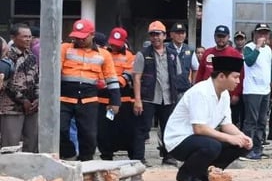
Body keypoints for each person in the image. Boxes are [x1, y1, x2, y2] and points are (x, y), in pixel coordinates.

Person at [163, 54, 252, 181]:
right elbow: (199, 128)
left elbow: (226, 123)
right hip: (179, 140)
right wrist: (229, 138)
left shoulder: (225, 94)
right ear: (221, 76)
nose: (238, 81)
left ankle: (207, 172)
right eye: (235, 77)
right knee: (213, 146)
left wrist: (242, 137)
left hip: (200, 138)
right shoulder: (200, 92)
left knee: (241, 144)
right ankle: (186, 174)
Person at [59, 19, 120, 161]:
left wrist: (115, 101)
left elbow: (111, 78)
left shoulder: (104, 54)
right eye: (77, 37)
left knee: (89, 135)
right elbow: (56, 71)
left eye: (83, 37)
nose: (79, 40)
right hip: (65, 98)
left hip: (89, 99)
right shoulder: (65, 48)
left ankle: (86, 162)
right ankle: (69, 154)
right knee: (60, 130)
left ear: (92, 35)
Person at [133, 21, 182, 165]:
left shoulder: (172, 54)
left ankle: (168, 156)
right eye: (152, 35)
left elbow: (178, 74)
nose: (155, 38)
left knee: (168, 128)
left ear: (164, 36)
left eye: (158, 34)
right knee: (143, 128)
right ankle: (139, 158)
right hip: (149, 97)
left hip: (168, 98)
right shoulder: (143, 54)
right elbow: (136, 77)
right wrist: (137, 99)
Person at [98, 28, 137, 160]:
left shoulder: (130, 56)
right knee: (104, 131)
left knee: (127, 130)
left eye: (117, 43)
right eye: (112, 43)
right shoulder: (102, 54)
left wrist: (114, 82)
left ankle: (133, 156)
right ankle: (106, 156)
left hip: (124, 100)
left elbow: (128, 74)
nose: (114, 46)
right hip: (103, 99)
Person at [0, 23, 39, 152]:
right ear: (13, 38)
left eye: (30, 37)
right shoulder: (7, 57)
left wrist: (38, 99)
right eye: (24, 37)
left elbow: (36, 79)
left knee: (32, 143)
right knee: (10, 145)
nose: (28, 39)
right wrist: (23, 100)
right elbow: (6, 84)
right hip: (11, 107)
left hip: (32, 107)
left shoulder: (32, 57)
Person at [241, 23, 272, 160]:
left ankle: (258, 149)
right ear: (254, 34)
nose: (263, 36)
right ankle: (246, 149)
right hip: (252, 89)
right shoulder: (248, 48)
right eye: (260, 33)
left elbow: (270, 68)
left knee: (262, 121)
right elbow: (249, 62)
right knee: (251, 121)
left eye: (265, 33)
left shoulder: (269, 50)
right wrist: (258, 47)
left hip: (265, 90)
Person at [168, 23, 194, 98]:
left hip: (185, 89)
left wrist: (192, 83)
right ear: (171, 35)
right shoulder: (166, 49)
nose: (180, 36)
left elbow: (195, 68)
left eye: (182, 33)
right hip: (169, 89)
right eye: (177, 33)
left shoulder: (190, 50)